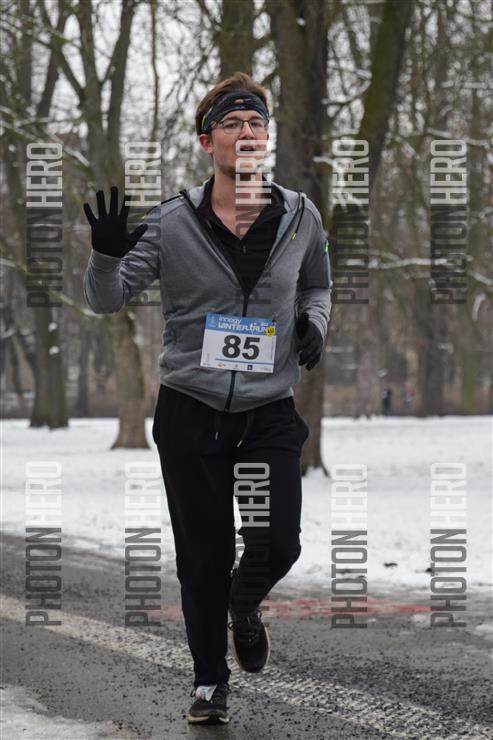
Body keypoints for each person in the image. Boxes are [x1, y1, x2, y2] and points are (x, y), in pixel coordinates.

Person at [83, 71, 331, 725]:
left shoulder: (300, 215)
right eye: (231, 123)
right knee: (204, 556)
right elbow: (106, 299)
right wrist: (104, 257)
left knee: (277, 542)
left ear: (266, 138)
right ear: (205, 141)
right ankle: (208, 683)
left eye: (256, 122)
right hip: (192, 411)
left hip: (267, 410)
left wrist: (314, 323)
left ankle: (242, 606)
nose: (246, 131)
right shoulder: (172, 221)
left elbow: (317, 285)